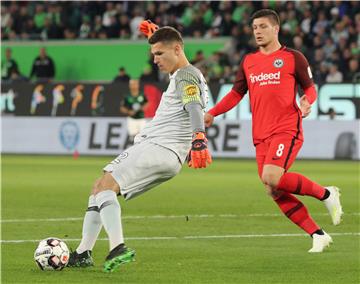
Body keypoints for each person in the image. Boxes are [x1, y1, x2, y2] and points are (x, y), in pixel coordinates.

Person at [68, 20, 212, 272]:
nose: (155, 59)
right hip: (168, 155)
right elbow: (189, 100)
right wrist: (158, 35)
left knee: (106, 185)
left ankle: (117, 247)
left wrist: (199, 139)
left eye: (159, 53)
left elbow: (194, 106)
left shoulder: (186, 75)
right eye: (153, 54)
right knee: (99, 188)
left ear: (177, 49)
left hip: (158, 147)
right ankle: (82, 252)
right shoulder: (183, 73)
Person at [205, 9, 343, 253]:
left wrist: (307, 101)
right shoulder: (249, 61)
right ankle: (317, 234)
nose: (257, 31)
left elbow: (310, 88)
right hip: (260, 134)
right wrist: (212, 113)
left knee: (271, 177)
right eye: (254, 28)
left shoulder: (293, 57)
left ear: (276, 28)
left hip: (286, 128)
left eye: (262, 27)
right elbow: (236, 93)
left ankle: (326, 194)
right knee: (273, 189)